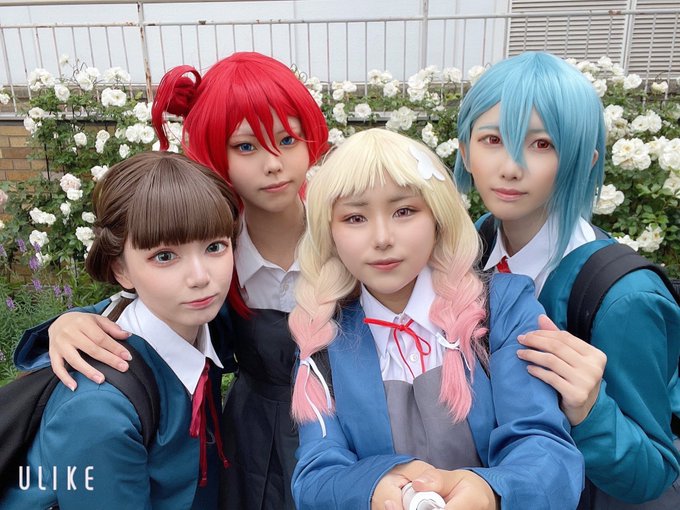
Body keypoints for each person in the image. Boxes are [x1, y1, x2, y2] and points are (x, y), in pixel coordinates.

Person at [12, 51, 329, 510]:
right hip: (251, 440)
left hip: (336, 439)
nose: (274, 163)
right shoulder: (213, 242)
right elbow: (147, 308)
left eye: (287, 139)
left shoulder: (344, 229)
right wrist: (67, 324)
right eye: (246, 146)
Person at [287, 128, 584, 509]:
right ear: (329, 232)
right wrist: (374, 486)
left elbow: (546, 450)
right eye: (355, 217)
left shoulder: (502, 308)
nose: (382, 238)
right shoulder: (321, 336)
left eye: (404, 211)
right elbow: (315, 475)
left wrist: (490, 492)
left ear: (438, 217)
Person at [453, 51, 680, 508]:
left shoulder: (623, 297)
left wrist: (590, 411)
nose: (510, 166)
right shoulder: (470, 247)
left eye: (542, 145)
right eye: (492, 139)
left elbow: (654, 472)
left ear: (585, 159)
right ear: (464, 151)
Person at [3, 152, 237, 509]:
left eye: (215, 247)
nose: (201, 277)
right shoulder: (99, 412)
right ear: (121, 270)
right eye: (164, 256)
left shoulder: (198, 324)